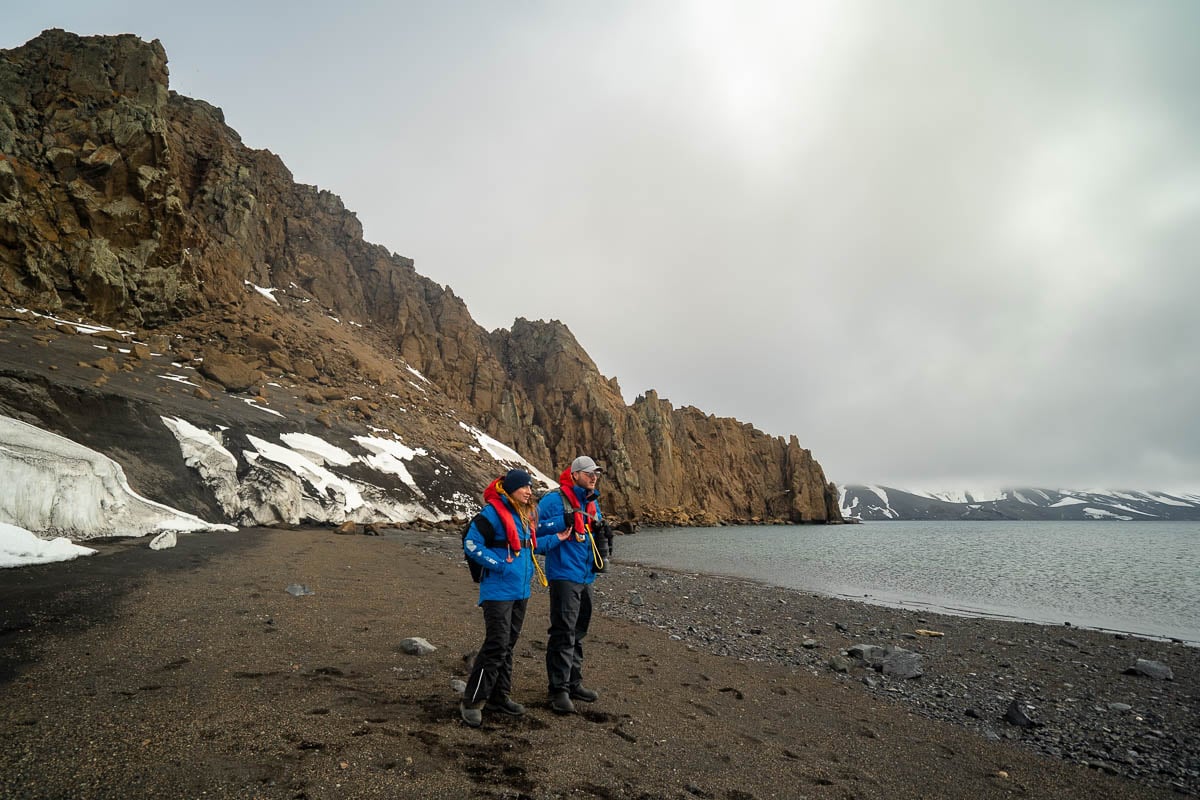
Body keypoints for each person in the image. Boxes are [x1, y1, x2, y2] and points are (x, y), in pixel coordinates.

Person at [460, 468, 539, 727]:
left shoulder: (524, 515)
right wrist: (500, 565)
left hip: (520, 591)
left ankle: (499, 697)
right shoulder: (492, 513)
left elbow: (528, 548)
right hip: (498, 591)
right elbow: (471, 544)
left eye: (530, 487)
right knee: (496, 645)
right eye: (523, 487)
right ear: (510, 489)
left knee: (508, 645)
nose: (529, 491)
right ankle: (472, 700)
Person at [537, 455, 607, 714]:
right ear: (575, 474)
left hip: (586, 574)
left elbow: (592, 532)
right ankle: (558, 690)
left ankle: (573, 682)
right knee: (563, 631)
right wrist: (561, 523)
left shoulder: (590, 501)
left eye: (596, 473)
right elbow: (532, 529)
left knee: (578, 630)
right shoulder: (554, 500)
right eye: (589, 473)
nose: (594, 477)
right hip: (564, 574)